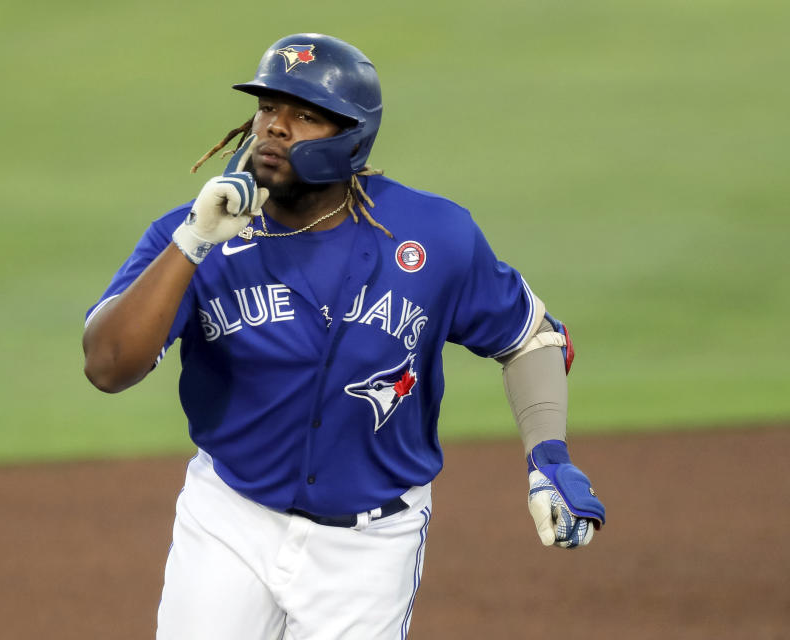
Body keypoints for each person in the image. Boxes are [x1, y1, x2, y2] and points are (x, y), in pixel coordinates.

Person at [82, 33, 605, 640]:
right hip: (230, 519)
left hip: (370, 547)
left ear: (353, 138)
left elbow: (529, 337)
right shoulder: (192, 233)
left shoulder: (435, 236)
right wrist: (193, 243)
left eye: (304, 115)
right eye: (268, 108)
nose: (275, 128)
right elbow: (107, 366)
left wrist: (549, 459)